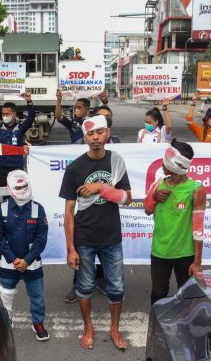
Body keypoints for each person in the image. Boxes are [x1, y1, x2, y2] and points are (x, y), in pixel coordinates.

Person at [59, 115, 132, 350]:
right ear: (85, 136)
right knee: (85, 286)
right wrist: (70, 248)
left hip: (112, 238)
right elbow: (68, 212)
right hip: (85, 239)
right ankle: (88, 328)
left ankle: (114, 329)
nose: (95, 137)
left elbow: (128, 199)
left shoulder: (116, 161)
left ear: (107, 133)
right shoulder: (75, 168)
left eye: (100, 132)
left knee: (117, 287)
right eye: (90, 133)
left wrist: (101, 187)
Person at [144, 140, 206, 305]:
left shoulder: (196, 189)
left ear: (177, 164)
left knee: (186, 292)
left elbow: (198, 230)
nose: (163, 163)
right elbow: (147, 210)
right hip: (160, 251)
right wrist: (154, 197)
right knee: (159, 291)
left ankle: (185, 327)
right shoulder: (159, 183)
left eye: (167, 160)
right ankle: (156, 326)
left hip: (185, 253)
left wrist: (197, 263)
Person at [0, 170, 49, 341]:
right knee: (6, 294)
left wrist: (27, 260)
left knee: (37, 296)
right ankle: (6, 321)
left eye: (25, 185)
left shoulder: (38, 209)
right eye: (18, 187)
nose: (23, 189)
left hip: (32, 263)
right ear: (10, 189)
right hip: (9, 263)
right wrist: (14, 259)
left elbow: (41, 239)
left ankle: (38, 322)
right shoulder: (0, 209)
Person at [0, 91, 35, 198]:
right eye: (3, 114)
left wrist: (29, 102)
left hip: (17, 167)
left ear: (14, 114)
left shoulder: (20, 128)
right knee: (5, 194)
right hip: (2, 168)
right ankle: (5, 212)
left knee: (19, 194)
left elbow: (30, 118)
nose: (4, 116)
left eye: (7, 114)